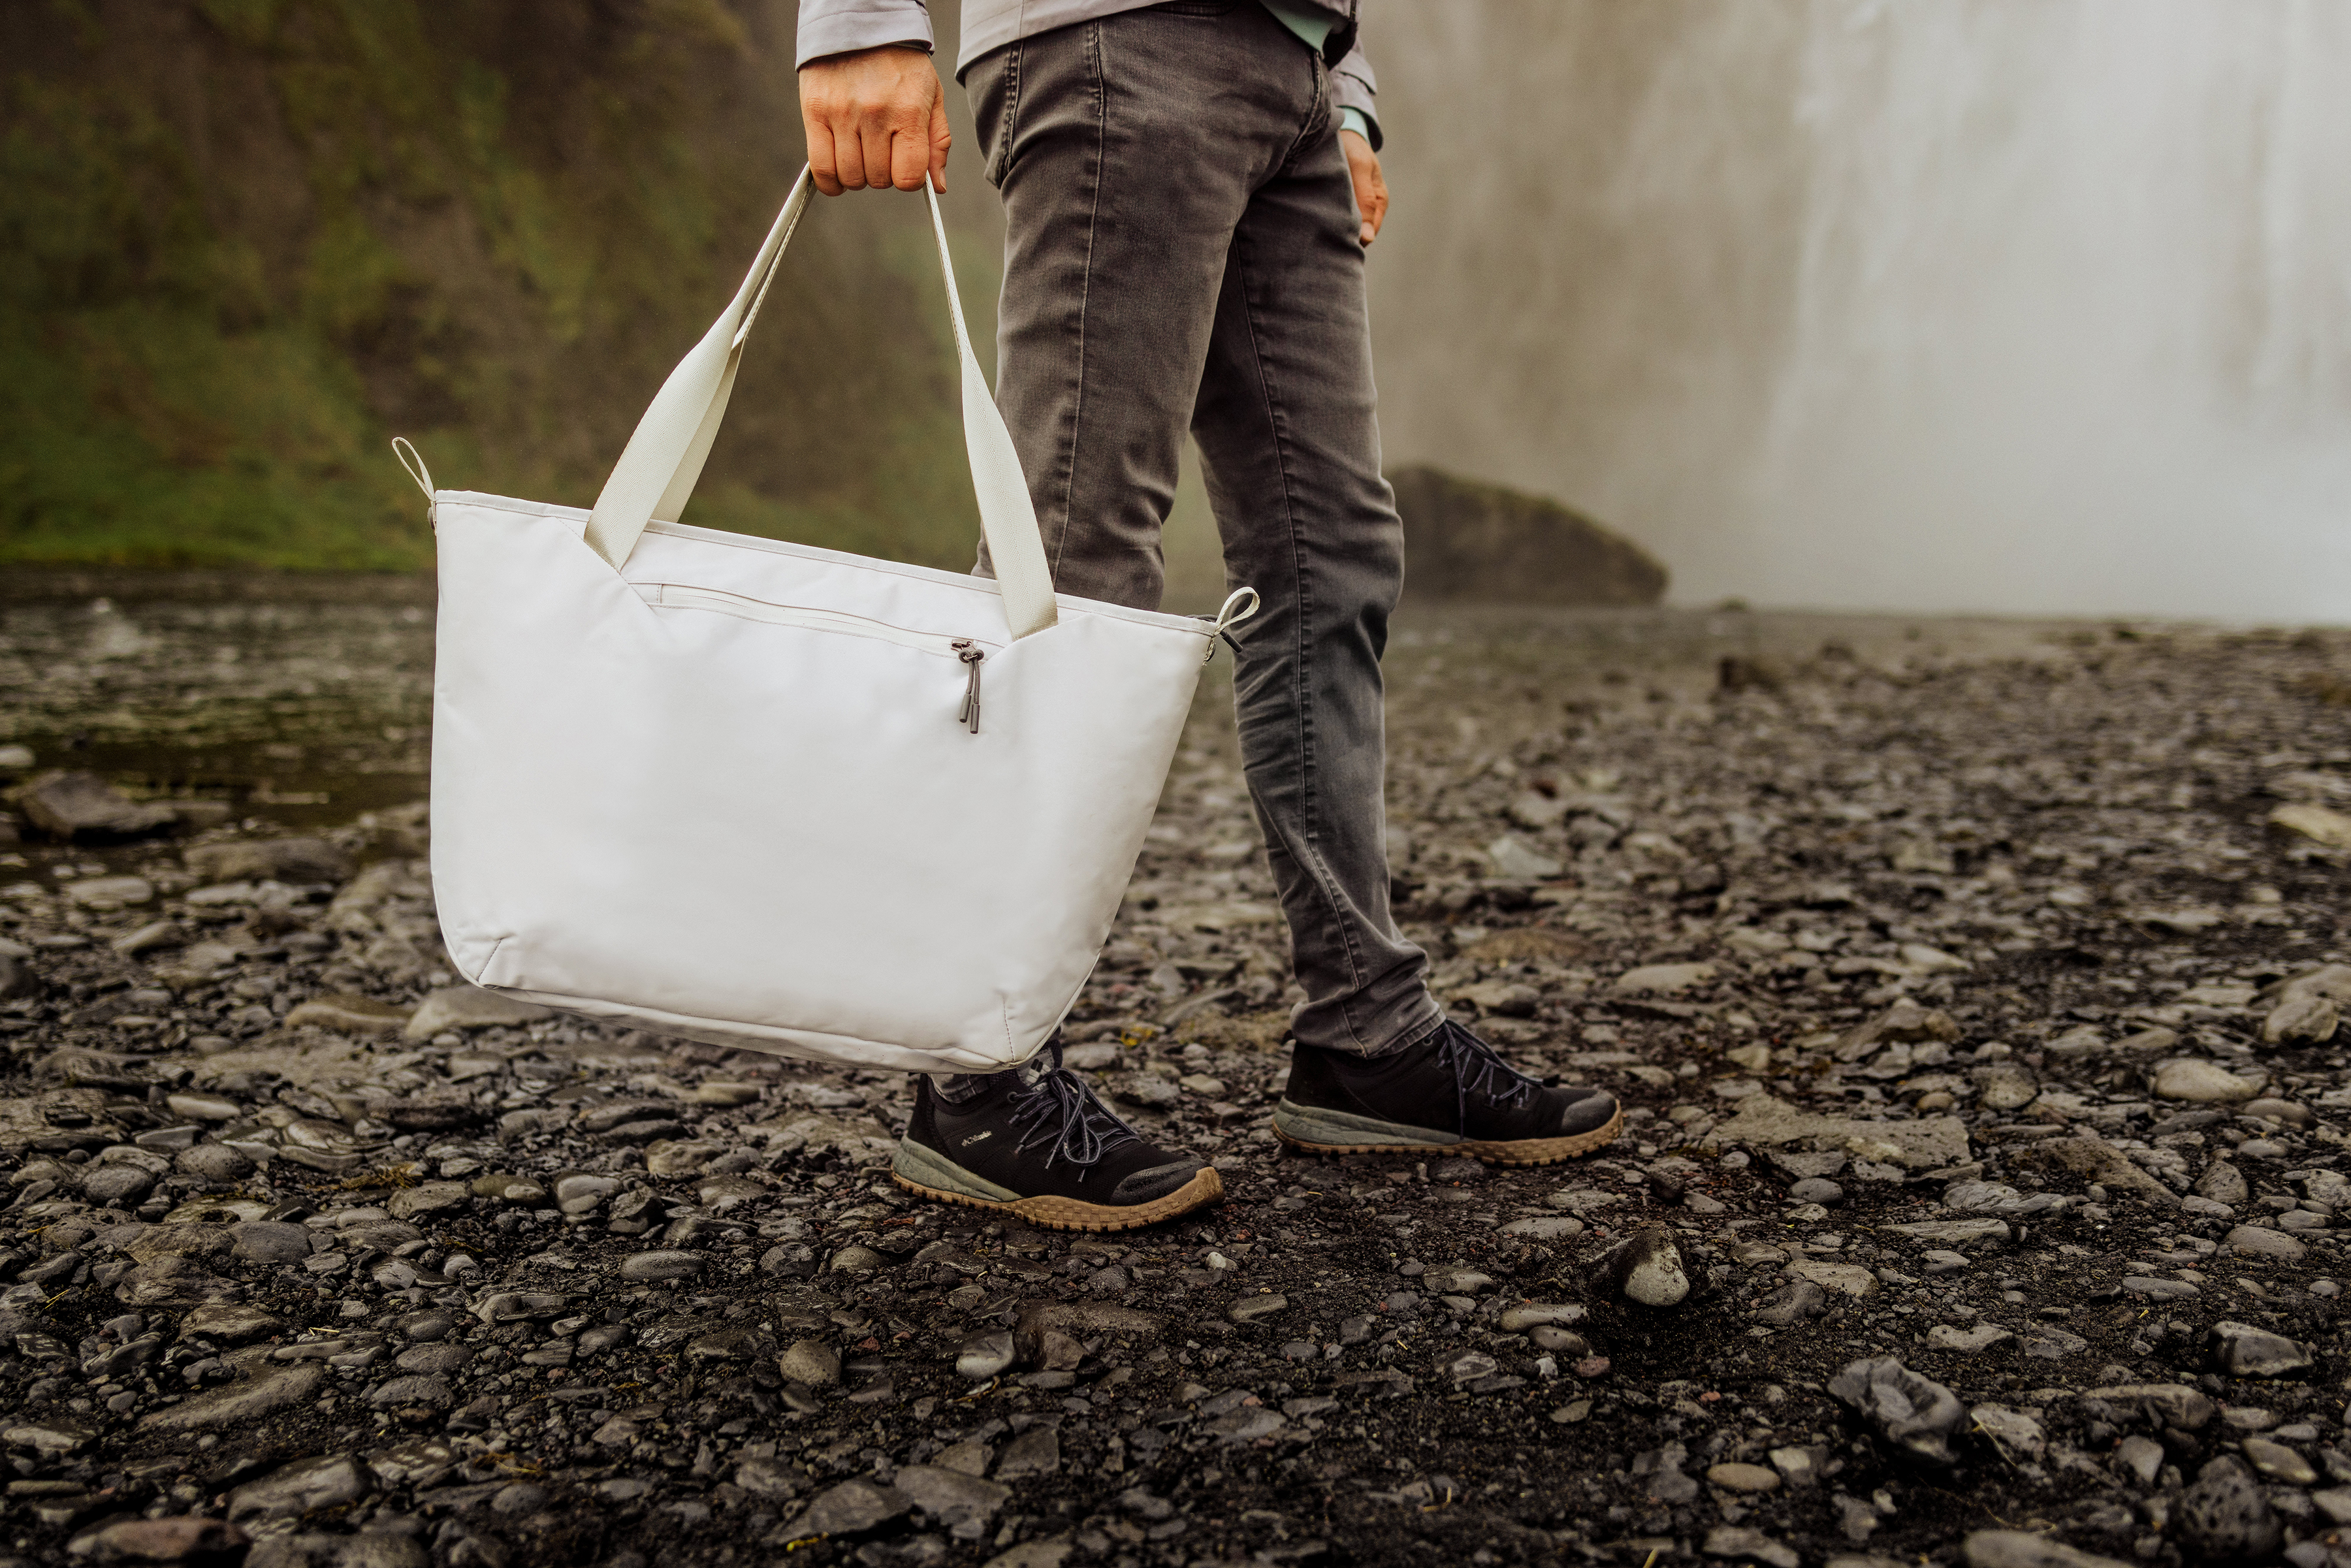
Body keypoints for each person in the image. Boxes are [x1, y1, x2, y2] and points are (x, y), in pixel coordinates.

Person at [795, 0, 1622, 1231]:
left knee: (1333, 551)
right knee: (1076, 548)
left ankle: (1366, 1036)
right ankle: (981, 1070)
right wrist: (857, 17)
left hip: (1291, 72)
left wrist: (1343, 84)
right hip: (1122, 38)